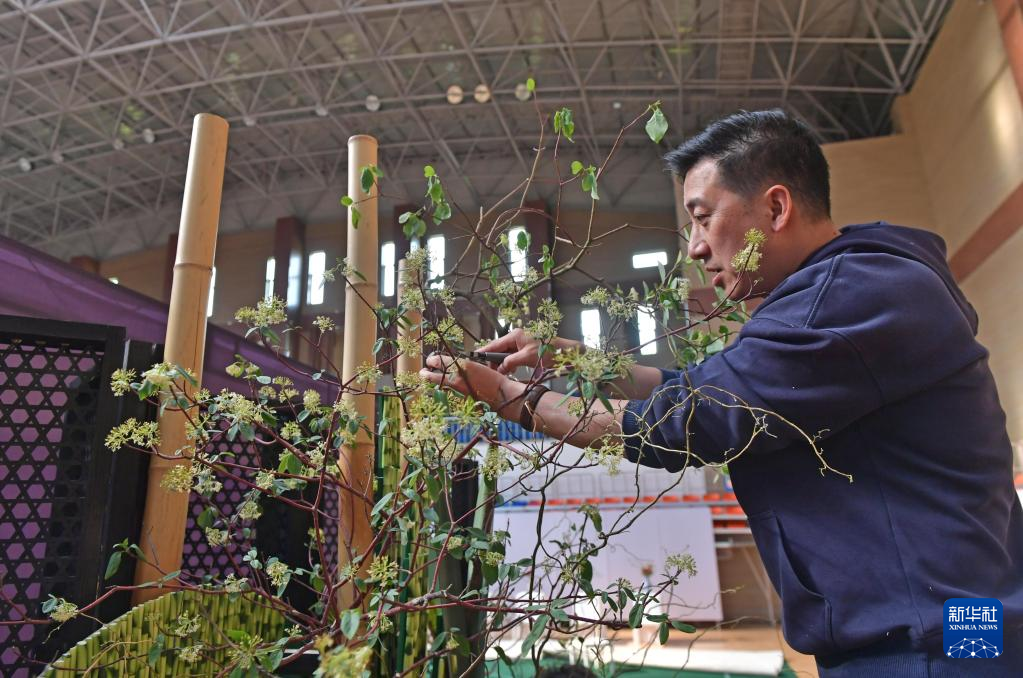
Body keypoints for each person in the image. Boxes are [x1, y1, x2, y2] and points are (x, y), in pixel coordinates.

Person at [420, 109, 1023, 676]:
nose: (695, 247)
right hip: (952, 626)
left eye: (703, 217)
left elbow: (691, 418)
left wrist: (513, 401)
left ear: (776, 207)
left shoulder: (848, 298)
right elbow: (702, 388)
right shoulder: (850, 288)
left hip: (929, 647)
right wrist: (577, 361)